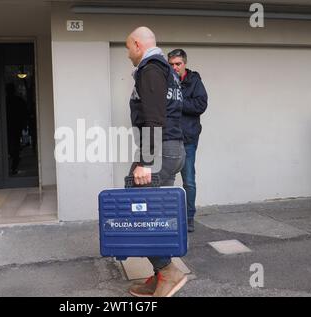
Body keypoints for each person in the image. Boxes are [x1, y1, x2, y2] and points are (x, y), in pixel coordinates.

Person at [126, 27, 187, 297]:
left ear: (137, 44)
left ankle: (168, 271)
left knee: (137, 210)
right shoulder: (168, 70)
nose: (128, 55)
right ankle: (160, 274)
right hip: (173, 149)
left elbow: (154, 117)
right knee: (154, 215)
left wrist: (145, 161)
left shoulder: (150, 68)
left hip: (160, 152)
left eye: (129, 48)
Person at [168, 49, 208, 233]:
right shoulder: (166, 81)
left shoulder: (194, 81)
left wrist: (179, 103)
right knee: (166, 179)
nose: (174, 67)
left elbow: (201, 105)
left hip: (188, 139)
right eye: (171, 64)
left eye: (178, 64)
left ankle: (189, 217)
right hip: (169, 138)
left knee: (189, 180)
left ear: (184, 63)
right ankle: (168, 216)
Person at [5, 83, 29, 175]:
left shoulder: (4, 101)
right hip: (15, 127)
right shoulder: (18, 100)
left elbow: (24, 113)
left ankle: (13, 165)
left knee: (12, 146)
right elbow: (25, 113)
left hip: (11, 127)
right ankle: (13, 165)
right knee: (14, 146)